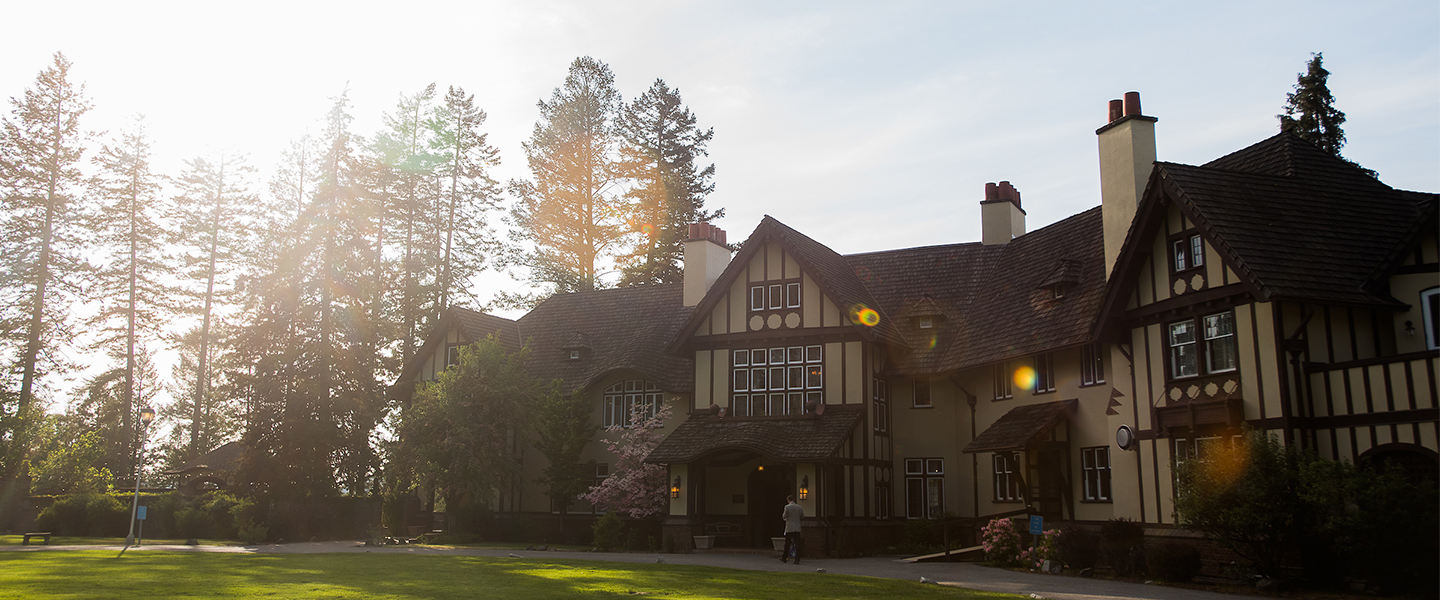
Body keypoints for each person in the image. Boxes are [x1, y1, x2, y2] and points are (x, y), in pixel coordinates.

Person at [780, 494, 803, 564]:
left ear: (788, 500)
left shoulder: (787, 507)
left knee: (787, 543)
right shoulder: (799, 507)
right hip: (797, 527)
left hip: (789, 527)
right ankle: (797, 558)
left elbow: (784, 516)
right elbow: (803, 516)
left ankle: (784, 557)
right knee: (797, 544)